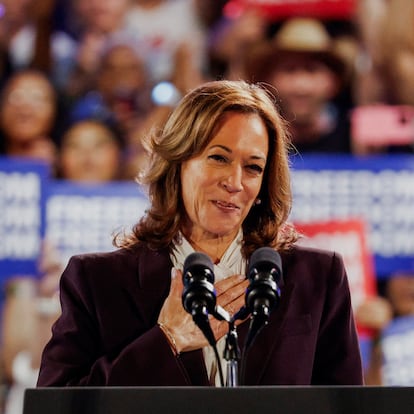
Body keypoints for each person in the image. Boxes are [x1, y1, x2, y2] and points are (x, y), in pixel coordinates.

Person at [36, 79, 363, 387]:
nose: (234, 183)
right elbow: (59, 405)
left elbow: (344, 406)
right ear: (177, 163)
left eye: (252, 167)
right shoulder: (97, 280)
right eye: (218, 158)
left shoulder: (318, 277)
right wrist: (167, 339)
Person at [244, 17, 353, 154]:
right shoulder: (254, 135)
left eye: (311, 70)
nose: (301, 87)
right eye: (290, 70)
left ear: (333, 81)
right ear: (269, 81)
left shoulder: (355, 135)